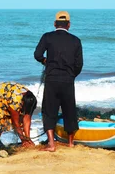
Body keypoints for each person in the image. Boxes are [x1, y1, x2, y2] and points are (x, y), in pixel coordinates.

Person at [34, 11, 83, 152]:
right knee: (70, 110)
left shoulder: (47, 37)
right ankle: (71, 143)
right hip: (68, 80)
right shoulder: (76, 40)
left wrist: (45, 61)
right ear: (69, 25)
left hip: (51, 79)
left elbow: (37, 54)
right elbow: (79, 64)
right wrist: (71, 75)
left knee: (49, 110)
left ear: (55, 24)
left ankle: (51, 144)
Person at [0, 82, 38, 147]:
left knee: (21, 117)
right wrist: (23, 140)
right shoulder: (15, 102)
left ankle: (26, 140)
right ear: (22, 103)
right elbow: (15, 123)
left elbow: (27, 119)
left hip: (12, 91)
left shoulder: (31, 100)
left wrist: (28, 138)